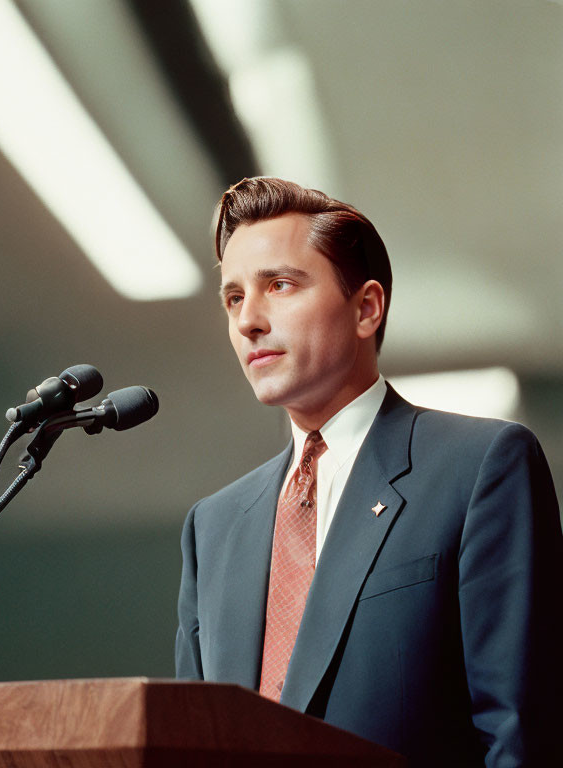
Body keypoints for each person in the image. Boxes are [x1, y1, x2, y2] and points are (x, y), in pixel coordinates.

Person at [175, 177, 563, 767]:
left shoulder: (480, 466)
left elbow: (519, 736)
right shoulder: (213, 527)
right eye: (233, 298)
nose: (249, 319)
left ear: (366, 308)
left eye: (279, 285)